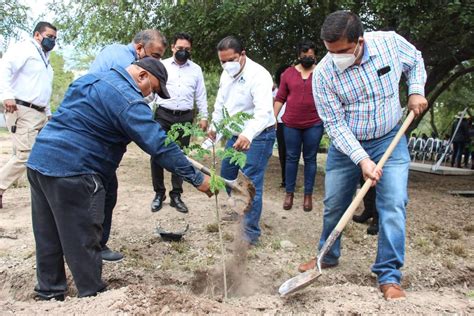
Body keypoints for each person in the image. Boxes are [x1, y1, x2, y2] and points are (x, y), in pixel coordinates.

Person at [26, 57, 212, 300]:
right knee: (82, 239)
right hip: (75, 171)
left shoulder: (89, 80)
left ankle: (49, 293)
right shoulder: (129, 100)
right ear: (142, 76)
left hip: (39, 161)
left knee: (47, 235)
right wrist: (198, 179)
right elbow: (159, 144)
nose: (151, 96)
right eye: (153, 90)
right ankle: (92, 298)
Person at [298, 11, 428, 300]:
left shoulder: (389, 44)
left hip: (389, 140)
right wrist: (362, 159)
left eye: (342, 51)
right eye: (330, 52)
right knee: (334, 203)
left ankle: (389, 275)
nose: (336, 57)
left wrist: (416, 91)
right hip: (347, 147)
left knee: (393, 204)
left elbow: (416, 61)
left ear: (359, 41)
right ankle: (327, 256)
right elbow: (334, 124)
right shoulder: (323, 74)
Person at [89, 29, 167, 262]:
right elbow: (129, 107)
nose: (155, 61)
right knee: (98, 192)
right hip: (96, 137)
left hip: (99, 133)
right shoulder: (125, 64)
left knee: (108, 190)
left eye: (160, 57)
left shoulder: (116, 53)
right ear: (140, 47)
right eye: (154, 55)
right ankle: (91, 250)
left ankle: (95, 245)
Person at [208, 36, 275, 246]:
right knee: (228, 175)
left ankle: (250, 233)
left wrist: (248, 134)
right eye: (223, 61)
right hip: (235, 136)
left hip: (259, 135)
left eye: (232, 59)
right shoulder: (226, 74)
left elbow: (264, 112)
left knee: (250, 182)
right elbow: (221, 105)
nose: (227, 65)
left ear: (243, 54)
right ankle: (240, 211)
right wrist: (214, 128)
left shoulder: (259, 75)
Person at [0, 22, 57, 209]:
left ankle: (44, 193)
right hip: (22, 109)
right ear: (37, 35)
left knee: (43, 153)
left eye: (55, 38)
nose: (53, 40)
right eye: (49, 36)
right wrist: (6, 95)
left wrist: (48, 113)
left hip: (39, 112)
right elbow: (5, 66)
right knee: (26, 154)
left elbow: (43, 88)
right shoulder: (25, 49)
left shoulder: (45, 59)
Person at [151, 32, 208, 214]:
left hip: (185, 117)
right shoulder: (162, 65)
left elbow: (200, 94)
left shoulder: (196, 69)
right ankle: (159, 194)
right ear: (173, 48)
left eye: (187, 49)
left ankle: (176, 195)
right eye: (180, 48)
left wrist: (204, 116)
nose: (183, 52)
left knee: (181, 156)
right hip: (163, 114)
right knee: (157, 153)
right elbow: (152, 89)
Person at [274, 40, 324, 212]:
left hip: (314, 123)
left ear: (315, 56)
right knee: (291, 158)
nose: (307, 58)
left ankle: (308, 196)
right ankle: (289, 194)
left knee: (310, 159)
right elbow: (280, 97)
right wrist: (272, 117)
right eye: (304, 56)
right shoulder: (288, 74)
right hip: (291, 124)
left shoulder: (321, 73)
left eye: (310, 56)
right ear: (298, 56)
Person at [273, 64, 290, 188]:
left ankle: (291, 181)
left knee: (292, 153)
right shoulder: (275, 90)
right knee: (282, 153)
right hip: (280, 123)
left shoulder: (295, 88)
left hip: (292, 123)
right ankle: (285, 180)